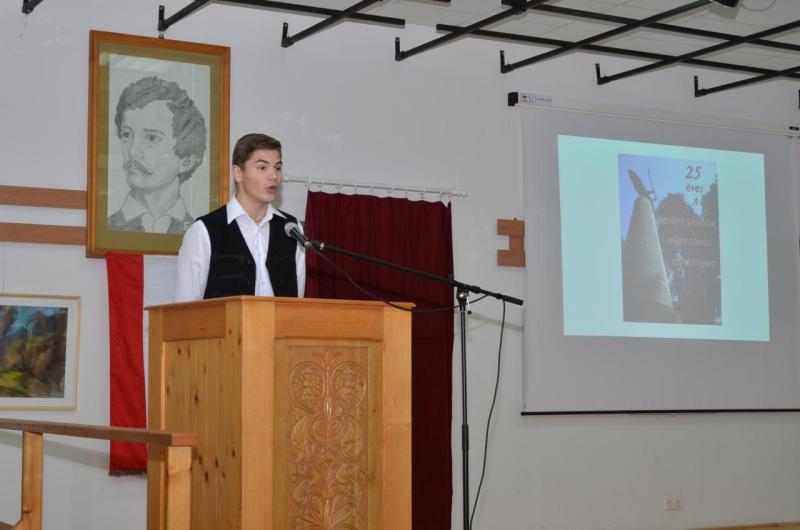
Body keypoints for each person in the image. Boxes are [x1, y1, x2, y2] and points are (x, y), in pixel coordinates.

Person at [174, 133, 306, 301]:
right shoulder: (203, 231)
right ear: (238, 173)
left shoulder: (292, 229)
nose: (274, 176)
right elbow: (185, 307)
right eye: (262, 167)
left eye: (277, 168)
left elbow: (296, 303)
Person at [108, 76, 207, 234]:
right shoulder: (108, 228)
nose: (132, 151)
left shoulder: (200, 233)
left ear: (186, 161)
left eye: (152, 138)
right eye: (126, 134)